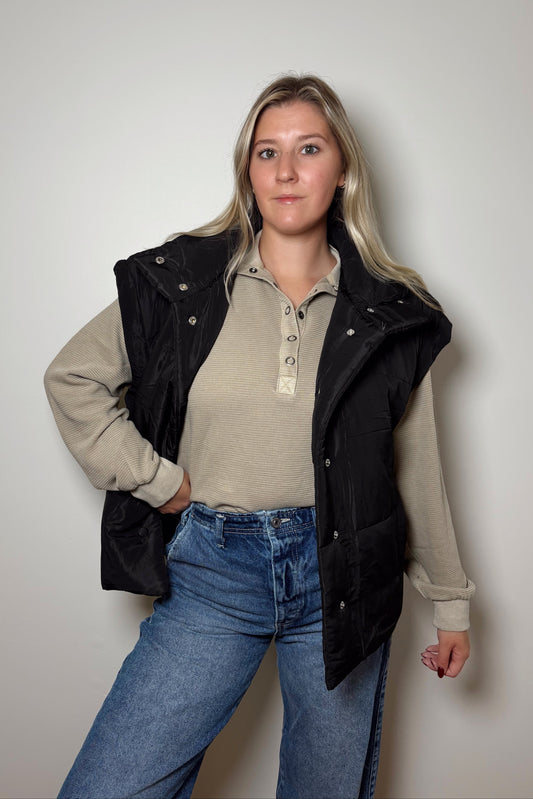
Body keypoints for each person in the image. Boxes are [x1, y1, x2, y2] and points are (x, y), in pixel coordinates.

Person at [44, 74, 474, 799]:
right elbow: (72, 380)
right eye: (265, 152)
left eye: (307, 148)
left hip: (342, 576)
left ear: (341, 170)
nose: (284, 170)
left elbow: (415, 463)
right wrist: (160, 481)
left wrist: (451, 599)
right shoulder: (179, 284)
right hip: (212, 573)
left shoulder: (389, 312)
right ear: (246, 171)